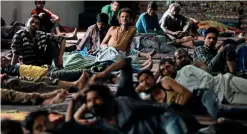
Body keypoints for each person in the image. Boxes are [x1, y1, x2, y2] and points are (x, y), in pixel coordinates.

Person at [69, 58, 201, 134]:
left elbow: (126, 62)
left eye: (96, 98)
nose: (93, 103)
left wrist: (104, 73)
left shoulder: (122, 97)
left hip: (167, 120)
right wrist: (80, 95)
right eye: (89, 102)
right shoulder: (101, 121)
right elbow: (74, 119)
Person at [158, 58, 247, 105]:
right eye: (163, 70)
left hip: (226, 82)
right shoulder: (175, 90)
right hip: (224, 98)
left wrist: (202, 93)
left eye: (168, 66)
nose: (166, 70)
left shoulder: (187, 69)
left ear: (174, 65)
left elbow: (208, 78)